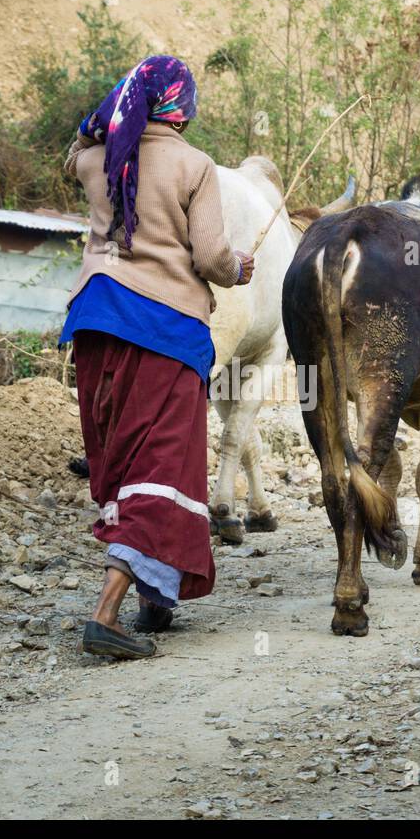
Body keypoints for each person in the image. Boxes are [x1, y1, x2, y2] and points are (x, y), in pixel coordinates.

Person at [60, 55, 254, 660]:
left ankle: (154, 598)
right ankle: (107, 613)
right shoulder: (195, 166)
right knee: (164, 469)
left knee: (123, 461)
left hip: (95, 324)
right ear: (182, 106)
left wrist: (106, 116)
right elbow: (213, 257)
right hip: (163, 331)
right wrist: (240, 268)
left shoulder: (94, 159)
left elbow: (80, 145)